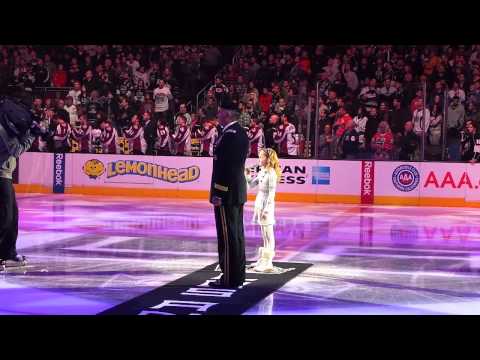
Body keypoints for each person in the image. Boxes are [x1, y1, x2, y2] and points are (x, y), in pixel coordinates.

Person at [209, 101, 249, 288]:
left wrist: (218, 192)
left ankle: (229, 278)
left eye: (220, 112)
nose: (218, 115)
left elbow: (227, 167)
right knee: (236, 234)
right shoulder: (239, 133)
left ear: (228, 115)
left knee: (227, 236)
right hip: (235, 191)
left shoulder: (230, 135)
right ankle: (238, 275)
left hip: (226, 193)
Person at [0, 96, 36, 267]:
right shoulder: (2, 128)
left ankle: (8, 252)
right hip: (1, 175)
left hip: (5, 174)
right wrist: (31, 137)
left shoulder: (8, 126)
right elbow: (15, 150)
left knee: (12, 217)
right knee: (5, 217)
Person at [245, 148, 281, 272]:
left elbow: (272, 193)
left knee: (268, 234)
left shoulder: (271, 173)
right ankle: (264, 259)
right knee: (264, 234)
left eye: (262, 157)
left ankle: (268, 261)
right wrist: (247, 175)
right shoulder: (262, 172)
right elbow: (251, 185)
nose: (259, 159)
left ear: (268, 159)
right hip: (260, 202)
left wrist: (267, 209)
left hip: (267, 205)